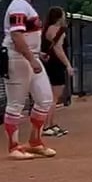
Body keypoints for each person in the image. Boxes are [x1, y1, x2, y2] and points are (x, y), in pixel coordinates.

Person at [1, 0, 57, 159]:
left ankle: (35, 141)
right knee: (16, 103)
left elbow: (25, 36)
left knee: (45, 99)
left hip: (28, 57)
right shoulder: (18, 6)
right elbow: (16, 36)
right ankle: (14, 147)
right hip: (17, 58)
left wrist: (35, 55)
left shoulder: (23, 5)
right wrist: (32, 59)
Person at [40, 7, 72, 136]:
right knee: (54, 97)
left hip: (47, 64)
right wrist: (68, 65)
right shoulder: (59, 31)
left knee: (51, 96)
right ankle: (47, 125)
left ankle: (51, 124)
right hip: (56, 65)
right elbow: (58, 49)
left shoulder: (46, 30)